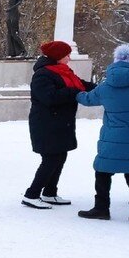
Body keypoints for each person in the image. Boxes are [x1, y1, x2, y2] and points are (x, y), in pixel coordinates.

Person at [21, 40, 95, 209]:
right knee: (51, 158)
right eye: (67, 55)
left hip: (60, 123)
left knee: (60, 156)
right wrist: (74, 92)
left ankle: (49, 192)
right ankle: (31, 195)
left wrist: (103, 89)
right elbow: (49, 97)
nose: (69, 58)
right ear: (58, 56)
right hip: (46, 124)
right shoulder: (42, 74)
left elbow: (82, 84)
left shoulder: (64, 71)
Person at [75, 44, 129, 222]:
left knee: (103, 172)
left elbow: (87, 99)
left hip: (112, 139)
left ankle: (101, 208)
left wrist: (75, 92)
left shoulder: (106, 86)